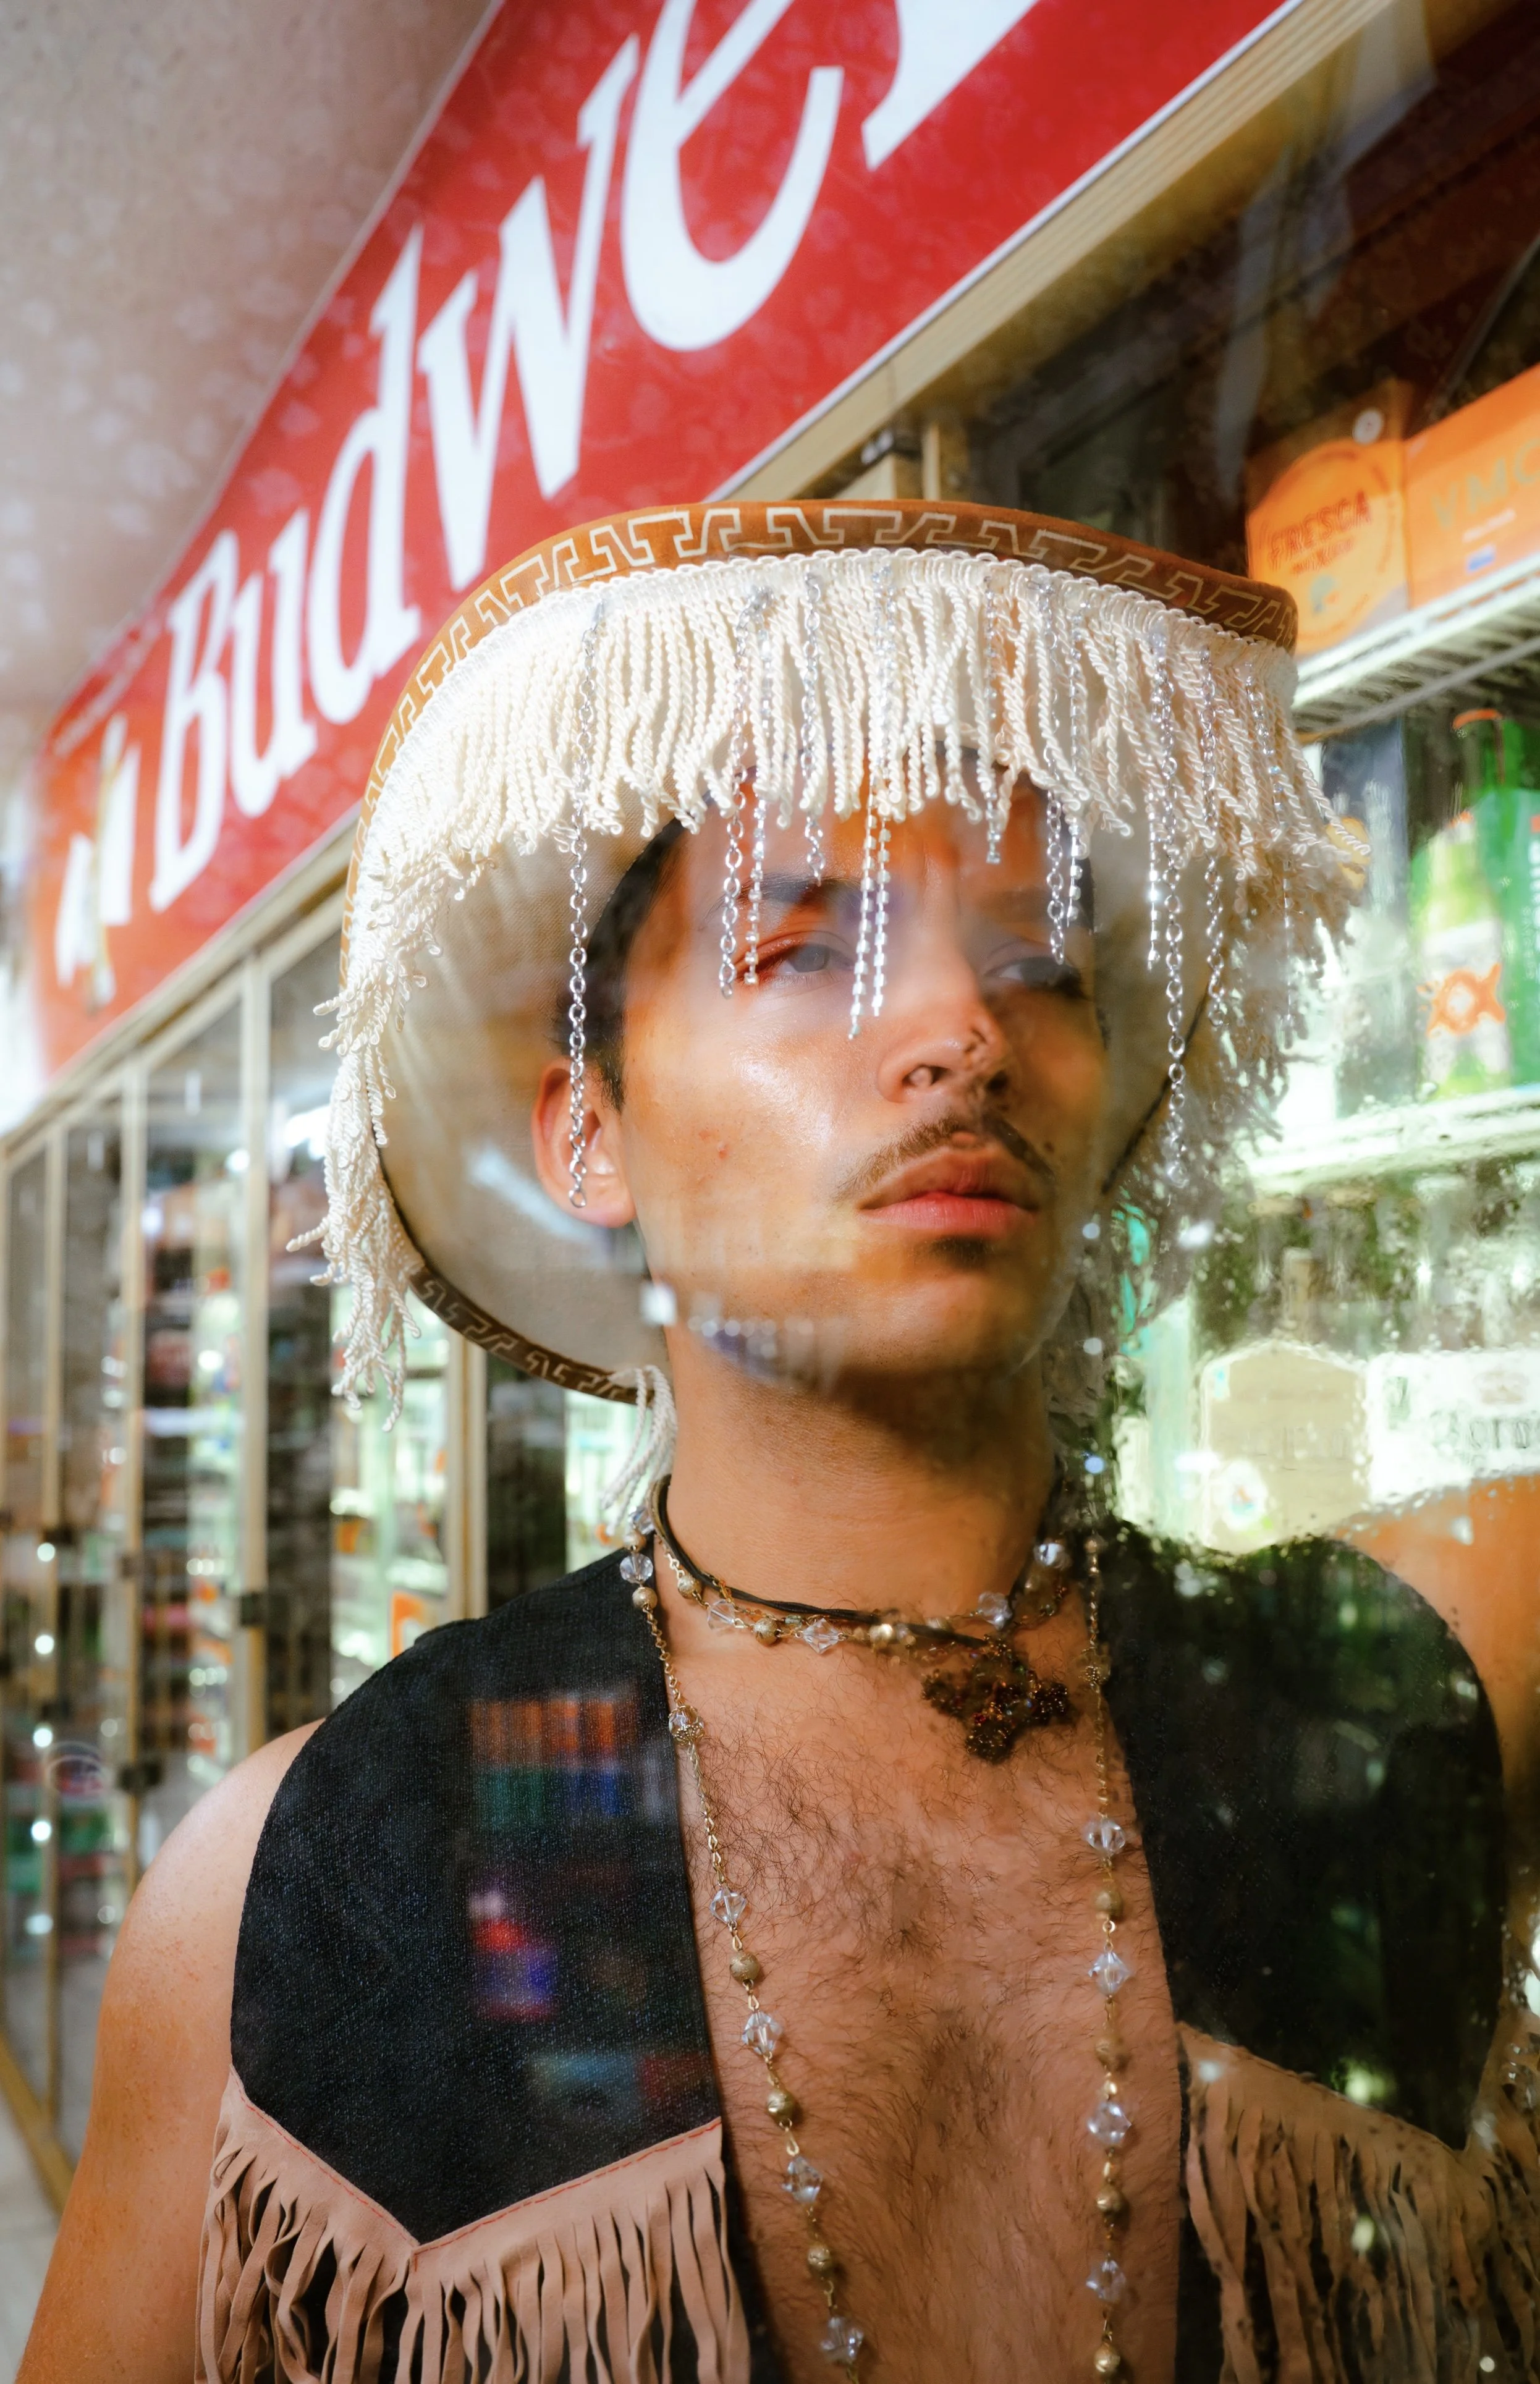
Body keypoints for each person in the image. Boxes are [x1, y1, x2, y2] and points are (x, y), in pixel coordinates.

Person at [20, 504, 1533, 2384]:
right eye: (807, 949)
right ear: (589, 1136)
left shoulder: (1403, 1687)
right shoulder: (332, 1860)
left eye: (1040, 962)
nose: (962, 1033)